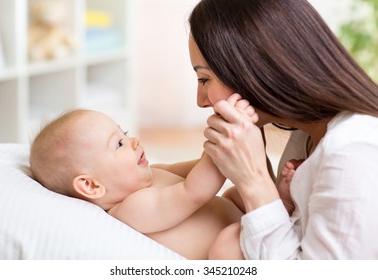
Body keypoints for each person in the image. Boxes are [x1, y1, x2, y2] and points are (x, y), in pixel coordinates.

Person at [183, 0, 378, 259]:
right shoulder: (306, 135)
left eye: (204, 79)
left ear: (255, 68)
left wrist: (254, 180)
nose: (201, 101)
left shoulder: (352, 152)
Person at [30, 109, 251, 260]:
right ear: (91, 185)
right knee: (226, 245)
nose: (133, 140)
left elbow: (199, 168)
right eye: (118, 144)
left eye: (124, 134)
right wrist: (224, 141)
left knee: (236, 190)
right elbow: (195, 192)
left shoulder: (152, 173)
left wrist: (230, 148)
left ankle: (281, 206)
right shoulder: (131, 209)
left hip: (238, 219)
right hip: (233, 247)